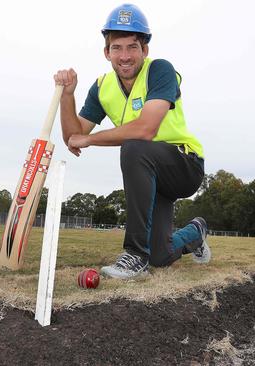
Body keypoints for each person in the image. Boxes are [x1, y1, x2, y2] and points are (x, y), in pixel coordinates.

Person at [53, 3, 210, 279]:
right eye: (117, 48)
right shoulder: (102, 88)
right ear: (107, 52)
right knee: (160, 257)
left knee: (135, 146)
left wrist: (89, 139)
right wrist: (68, 96)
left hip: (184, 165)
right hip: (152, 174)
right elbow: (72, 136)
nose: (124, 56)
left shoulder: (160, 71)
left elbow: (146, 129)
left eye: (132, 47)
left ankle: (135, 255)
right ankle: (195, 231)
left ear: (145, 50)